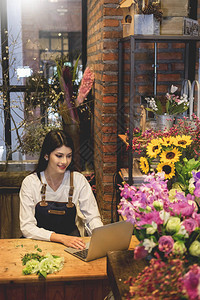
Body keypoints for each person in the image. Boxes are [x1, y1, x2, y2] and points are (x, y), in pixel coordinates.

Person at [19, 129, 103, 250]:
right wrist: (61, 238)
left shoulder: (78, 180)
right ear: (46, 155)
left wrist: (100, 236)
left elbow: (92, 218)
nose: (64, 161)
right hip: (38, 244)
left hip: (71, 243)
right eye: (59, 156)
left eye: (68, 156)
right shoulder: (30, 183)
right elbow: (27, 227)